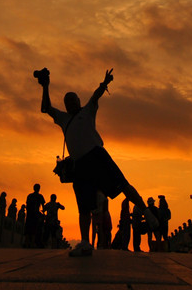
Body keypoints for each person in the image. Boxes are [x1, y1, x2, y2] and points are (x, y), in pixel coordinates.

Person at [37, 66, 157, 257]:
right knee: (83, 205)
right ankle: (85, 242)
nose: (69, 103)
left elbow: (96, 95)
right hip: (80, 166)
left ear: (78, 101)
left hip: (97, 156)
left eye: (72, 100)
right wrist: (45, 86)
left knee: (123, 184)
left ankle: (147, 212)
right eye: (66, 101)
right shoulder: (64, 119)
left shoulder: (88, 110)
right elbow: (46, 108)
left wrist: (105, 83)